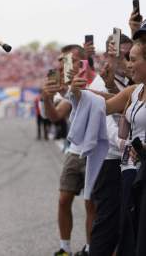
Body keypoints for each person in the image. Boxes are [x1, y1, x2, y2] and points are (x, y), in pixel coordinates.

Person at [71, 24, 146, 255]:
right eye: (128, 59)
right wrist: (76, 91)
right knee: (129, 233)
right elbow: (103, 105)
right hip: (131, 173)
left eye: (133, 59)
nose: (129, 65)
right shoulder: (135, 91)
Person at [43, 44, 100, 256]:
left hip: (96, 152)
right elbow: (56, 115)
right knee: (63, 200)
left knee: (90, 204)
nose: (63, 68)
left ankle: (90, 248)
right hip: (74, 151)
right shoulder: (67, 88)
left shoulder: (97, 80)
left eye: (67, 61)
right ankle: (64, 248)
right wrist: (46, 97)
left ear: (82, 61)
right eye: (61, 64)